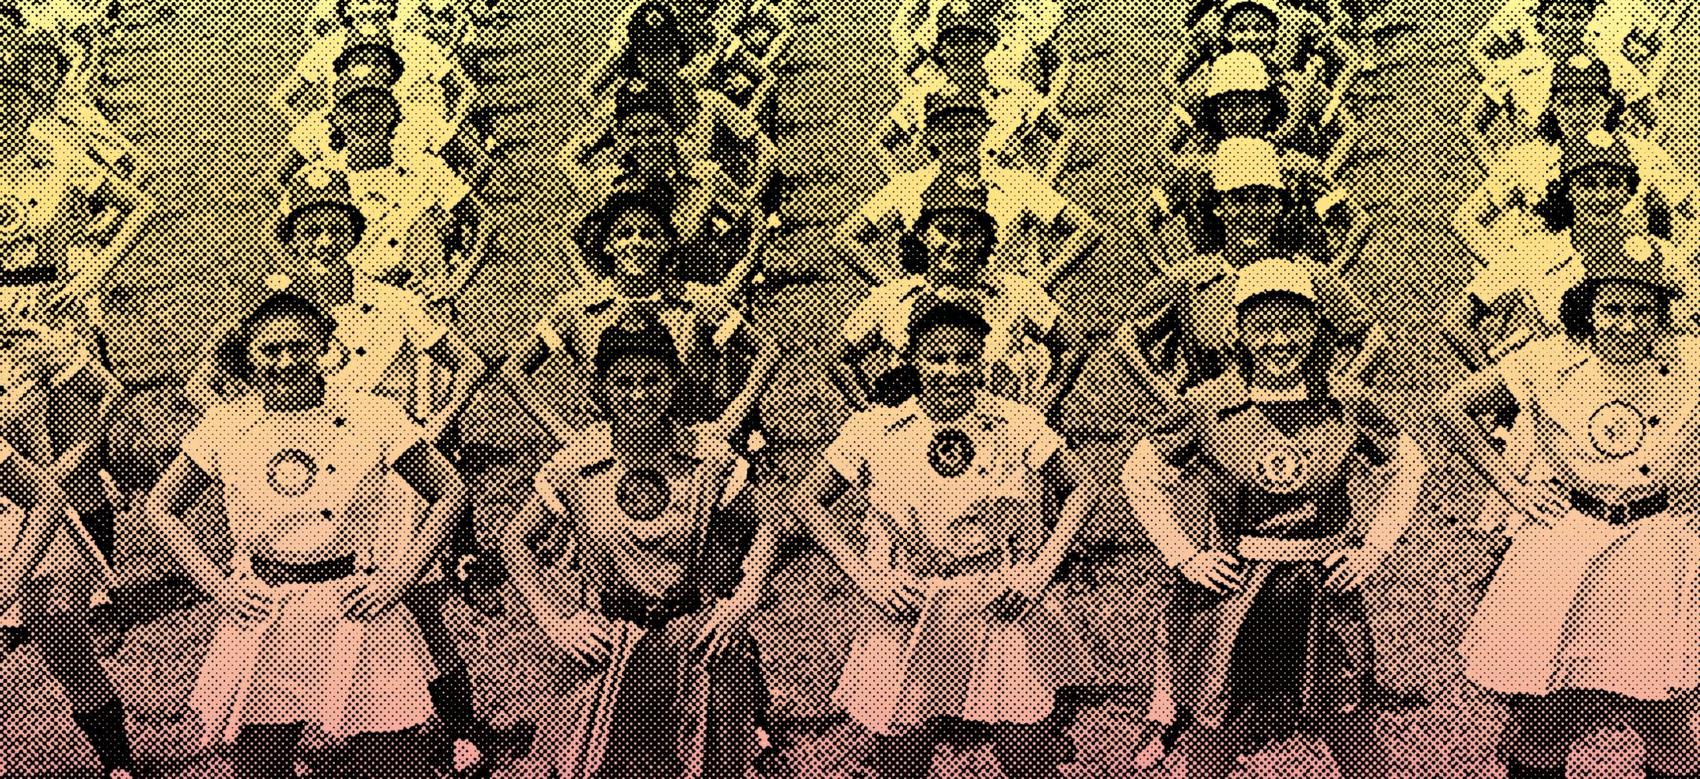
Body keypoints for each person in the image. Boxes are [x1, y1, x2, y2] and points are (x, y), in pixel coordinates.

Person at [190, 165, 496, 775]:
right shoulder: (264, 308)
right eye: (310, 232)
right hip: (269, 580)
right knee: (262, 754)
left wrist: (432, 425)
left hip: (376, 493)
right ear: (290, 238)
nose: (324, 243)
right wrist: (218, 581)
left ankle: (456, 735)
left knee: (417, 627)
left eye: (336, 230)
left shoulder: (388, 309)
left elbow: (451, 468)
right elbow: (171, 490)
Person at [1121, 258, 1424, 778]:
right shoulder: (1208, 404)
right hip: (1238, 585)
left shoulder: (1345, 403)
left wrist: (1375, 548)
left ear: (1315, 327)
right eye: (1262, 326)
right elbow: (1140, 474)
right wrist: (1187, 555)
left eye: (1292, 323)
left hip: (1326, 583)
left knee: (1351, 729)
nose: (1278, 340)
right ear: (1239, 330)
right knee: (1212, 731)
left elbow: (1405, 461)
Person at [144, 293, 467, 779]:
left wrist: (397, 579)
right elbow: (159, 510)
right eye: (270, 350)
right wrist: (217, 586)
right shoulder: (227, 423)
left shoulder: (371, 415)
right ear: (248, 352)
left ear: (325, 345)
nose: (286, 361)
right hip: (264, 607)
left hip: (355, 602)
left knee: (388, 755)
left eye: (299, 346)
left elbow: (451, 493)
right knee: (260, 760)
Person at [791, 298, 1101, 779]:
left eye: (965, 356)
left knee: (1025, 751)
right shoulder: (875, 427)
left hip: (997, 601)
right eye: (938, 356)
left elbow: (1083, 487)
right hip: (906, 604)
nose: (952, 370)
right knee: (900, 754)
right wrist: (868, 578)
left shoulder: (1016, 423)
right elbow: (806, 500)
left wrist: (1038, 571)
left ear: (983, 358)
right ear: (912, 359)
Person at [1438, 247, 1700, 779]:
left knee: (1664, 708)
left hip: (1654, 539)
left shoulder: (1691, 362)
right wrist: (1510, 485)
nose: (1628, 324)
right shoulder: (1547, 360)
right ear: (1587, 309)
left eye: (1642, 310)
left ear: (1661, 312)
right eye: (1613, 309)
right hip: (1564, 533)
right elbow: (1452, 406)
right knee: (1542, 700)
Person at [502, 316, 780, 779]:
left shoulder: (709, 456)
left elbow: (769, 527)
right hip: (609, 642)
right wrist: (556, 620)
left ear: (674, 381)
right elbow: (514, 538)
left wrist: (739, 603)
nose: (638, 395)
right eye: (623, 382)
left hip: (695, 639)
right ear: (601, 389)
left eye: (652, 380)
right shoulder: (577, 462)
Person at [1114, 137, 1381, 405]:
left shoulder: (1307, 276)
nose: (1252, 212)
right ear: (1219, 206)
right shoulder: (1190, 279)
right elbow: (1127, 338)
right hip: (1217, 428)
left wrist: (1345, 389)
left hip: (1301, 425)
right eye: (1239, 199)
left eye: (1264, 199)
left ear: (1280, 207)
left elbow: (1373, 337)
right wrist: (1170, 399)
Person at [501, 191, 775, 446]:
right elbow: (514, 370)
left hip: (685, 450)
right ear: (607, 245)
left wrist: (723, 427)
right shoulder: (579, 307)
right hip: (607, 454)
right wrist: (568, 437)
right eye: (624, 234)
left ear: (667, 243)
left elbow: (766, 351)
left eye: (648, 233)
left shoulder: (697, 301)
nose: (636, 242)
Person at [1444, 129, 1693, 374]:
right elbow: (1456, 323)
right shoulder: (1533, 252)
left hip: (1635, 399)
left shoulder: (1655, 254)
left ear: (1630, 190)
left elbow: (1691, 320)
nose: (1602, 196)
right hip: (1554, 399)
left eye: (1614, 182)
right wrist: (1505, 381)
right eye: (1587, 183)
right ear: (1566, 189)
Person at [0, 334, 136, 779]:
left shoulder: (38, 338)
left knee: (68, 656)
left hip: (45, 536)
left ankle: (118, 764)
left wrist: (9, 579)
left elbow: (44, 498)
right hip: (38, 524)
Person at [832, 182, 1086, 418]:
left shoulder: (1017, 293)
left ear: (986, 237)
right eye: (946, 230)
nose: (956, 244)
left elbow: (1073, 345)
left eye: (969, 232)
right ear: (923, 233)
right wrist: (875, 419)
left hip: (999, 445)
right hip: (913, 446)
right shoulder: (892, 297)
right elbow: (837, 358)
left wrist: (1038, 411)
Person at [838, 88, 1103, 291]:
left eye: (968, 125)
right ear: (930, 135)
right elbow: (844, 239)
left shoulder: (1018, 184)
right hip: (931, 320)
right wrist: (894, 289)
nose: (959, 135)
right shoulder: (908, 187)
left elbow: (1087, 230)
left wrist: (1035, 286)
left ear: (984, 130)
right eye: (947, 127)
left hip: (1002, 315)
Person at [1454, 54, 1693, 270]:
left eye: (1588, 101)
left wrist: (1673, 261)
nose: (1578, 113)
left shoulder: (1642, 154)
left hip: (1626, 281)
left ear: (1608, 104)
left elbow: (1693, 209)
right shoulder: (1527, 160)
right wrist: (1511, 268)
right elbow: (1466, 219)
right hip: (1553, 286)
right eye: (1567, 103)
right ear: (1553, 106)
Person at [1, 26, 155, 339]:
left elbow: (141, 203)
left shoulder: (60, 145)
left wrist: (94, 272)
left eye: (21, 101)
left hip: (51, 296)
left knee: (84, 383)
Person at [1148, 52, 1360, 273]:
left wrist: (1330, 275)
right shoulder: (1197, 171)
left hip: (1288, 283)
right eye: (1229, 105)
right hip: (1221, 283)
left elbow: (1357, 221)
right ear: (1216, 111)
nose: (1241, 114)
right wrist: (1168, 274)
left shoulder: (1296, 167)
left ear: (1267, 106)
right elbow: (1145, 219)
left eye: (1251, 103)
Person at [593, 2, 777, 194]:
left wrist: (749, 195)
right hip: (645, 211)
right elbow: (570, 156)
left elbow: (766, 151)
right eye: (647, 53)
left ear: (677, 51)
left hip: (695, 206)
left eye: (665, 51)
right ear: (637, 58)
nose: (657, 61)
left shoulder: (709, 102)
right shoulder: (623, 104)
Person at [874, 0, 1056, 181]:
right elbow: (879, 144)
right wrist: (906, 184)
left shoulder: (1016, 92)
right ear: (940, 51)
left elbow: (1062, 134)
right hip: (939, 201)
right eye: (953, 41)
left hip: (1000, 201)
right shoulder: (923, 96)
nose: (963, 50)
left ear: (989, 46)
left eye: (972, 39)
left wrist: (1045, 178)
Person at [1465, 0, 1653, 166]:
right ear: (1541, 18)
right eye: (1557, 15)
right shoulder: (1514, 67)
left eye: (1576, 15)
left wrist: (1635, 159)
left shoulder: (1614, 65)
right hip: (1534, 171)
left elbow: (1653, 119)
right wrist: (1496, 166)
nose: (1567, 24)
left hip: (1596, 178)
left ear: (1590, 18)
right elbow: (1472, 124)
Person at [272, 0, 475, 144]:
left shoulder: (418, 46)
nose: (370, 7)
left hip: (413, 146)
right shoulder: (328, 48)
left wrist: (447, 129)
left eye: (379, 2)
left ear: (391, 6)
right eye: (361, 2)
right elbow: (282, 98)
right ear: (347, 8)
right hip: (351, 149)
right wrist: (316, 136)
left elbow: (465, 90)